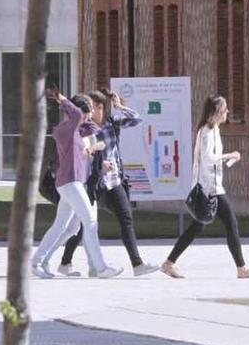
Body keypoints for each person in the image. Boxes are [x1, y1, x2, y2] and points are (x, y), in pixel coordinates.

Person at [57, 89, 160, 277]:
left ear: (100, 107)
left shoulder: (112, 124)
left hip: (113, 181)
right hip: (91, 182)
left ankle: (137, 264)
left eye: (91, 107)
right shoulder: (80, 129)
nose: (87, 113)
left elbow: (137, 119)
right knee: (83, 223)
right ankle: (66, 262)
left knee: (125, 218)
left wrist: (120, 106)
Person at [160, 95, 249, 279]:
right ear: (216, 112)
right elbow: (208, 159)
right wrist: (228, 155)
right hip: (209, 189)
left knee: (197, 227)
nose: (228, 113)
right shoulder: (206, 132)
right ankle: (241, 268)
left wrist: (229, 158)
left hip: (213, 186)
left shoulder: (214, 129)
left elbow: (211, 159)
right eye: (225, 110)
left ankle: (169, 263)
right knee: (231, 224)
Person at [31, 89, 123, 279]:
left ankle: (38, 261)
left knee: (63, 226)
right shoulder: (68, 128)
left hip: (70, 182)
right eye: (86, 116)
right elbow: (75, 114)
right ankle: (101, 268)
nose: (87, 120)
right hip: (71, 182)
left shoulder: (73, 131)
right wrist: (62, 99)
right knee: (89, 222)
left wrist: (92, 148)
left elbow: (87, 143)